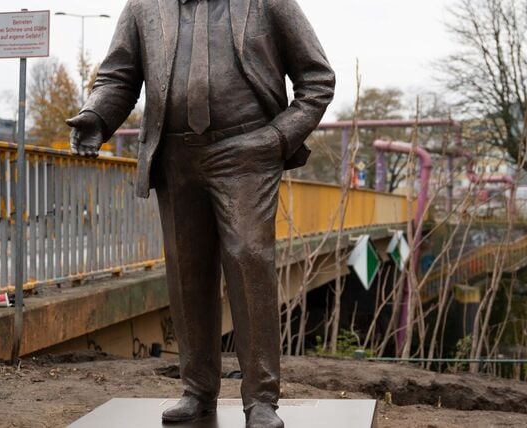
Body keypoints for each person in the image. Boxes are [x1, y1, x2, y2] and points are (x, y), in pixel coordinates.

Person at [65, 0, 335, 426]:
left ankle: (261, 399)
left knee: (249, 260)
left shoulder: (268, 3)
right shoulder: (143, 9)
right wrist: (97, 115)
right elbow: (119, 74)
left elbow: (317, 79)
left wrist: (275, 138)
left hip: (248, 152)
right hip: (175, 157)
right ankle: (197, 390)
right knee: (187, 273)